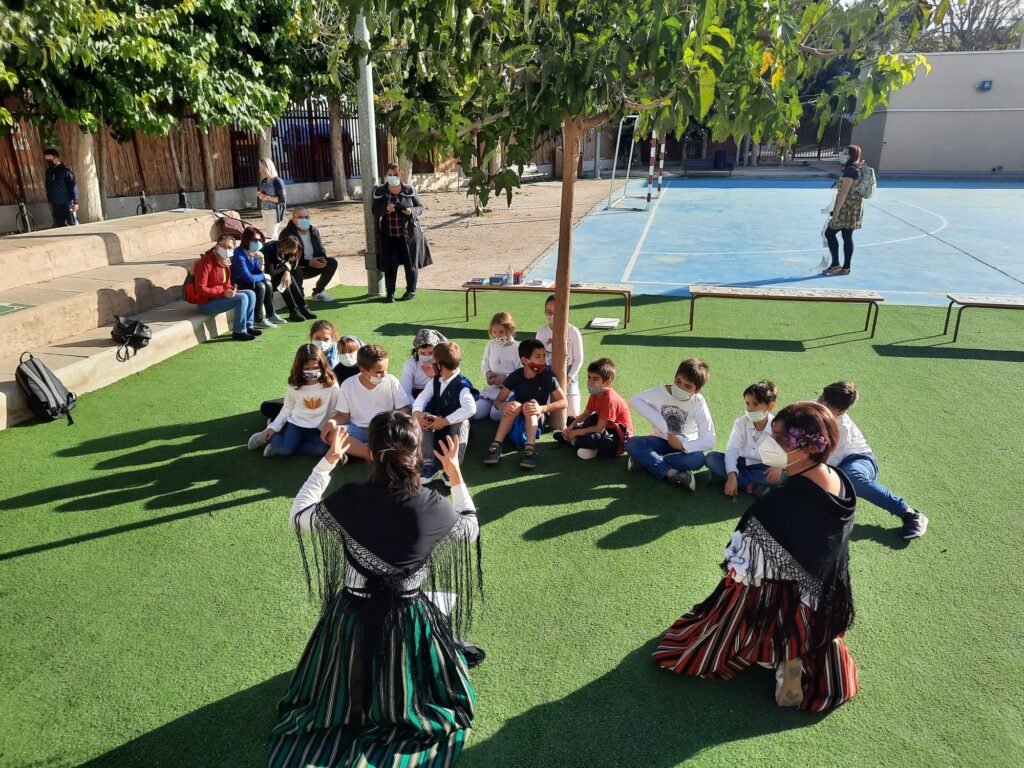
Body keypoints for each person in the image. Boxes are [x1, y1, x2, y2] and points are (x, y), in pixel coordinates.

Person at [270, 416, 482, 765]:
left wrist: (328, 461)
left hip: (351, 621)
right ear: (417, 453)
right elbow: (470, 528)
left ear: (372, 452)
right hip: (410, 621)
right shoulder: (434, 505)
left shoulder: (349, 499)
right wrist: (455, 475)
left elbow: (299, 515)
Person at [653, 401, 859, 712]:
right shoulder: (839, 481)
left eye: (777, 438)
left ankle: (768, 646)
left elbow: (748, 562)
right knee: (804, 609)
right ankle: (795, 654)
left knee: (740, 593)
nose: (768, 442)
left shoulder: (783, 502)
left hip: (780, 592)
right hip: (821, 596)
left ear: (805, 448)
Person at [819, 381, 929, 539]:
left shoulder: (841, 428)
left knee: (849, 478)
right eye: (821, 399)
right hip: (835, 462)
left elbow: (827, 462)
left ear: (841, 411)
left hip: (859, 460)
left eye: (827, 405)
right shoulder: (810, 407)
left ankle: (910, 514)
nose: (820, 405)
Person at [625, 358, 716, 492]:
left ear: (697, 390)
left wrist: (682, 445)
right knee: (632, 443)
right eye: (677, 381)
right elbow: (635, 400)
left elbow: (710, 439)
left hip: (683, 448)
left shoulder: (698, 402)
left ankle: (646, 461)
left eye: (687, 386)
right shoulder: (662, 392)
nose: (680, 388)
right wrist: (666, 428)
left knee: (698, 459)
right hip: (660, 440)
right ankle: (671, 473)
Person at [482, 339, 567, 470]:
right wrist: (504, 406)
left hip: (537, 415)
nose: (543, 360)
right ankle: (496, 445)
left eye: (544, 356)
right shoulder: (516, 375)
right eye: (538, 356)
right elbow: (499, 401)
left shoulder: (547, 376)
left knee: (529, 406)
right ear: (525, 360)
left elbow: (564, 402)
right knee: (513, 405)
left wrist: (542, 408)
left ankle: (530, 450)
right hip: (518, 412)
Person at [321, 344, 411, 461]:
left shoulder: (391, 381)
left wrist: (391, 423)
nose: (384, 374)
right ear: (363, 370)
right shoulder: (348, 384)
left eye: (386, 369)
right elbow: (343, 416)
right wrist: (331, 422)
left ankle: (357, 452)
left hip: (384, 429)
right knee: (331, 435)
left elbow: (404, 409)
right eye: (379, 372)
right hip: (358, 429)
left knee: (407, 430)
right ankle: (374, 455)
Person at [248, 345, 339, 458]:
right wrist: (272, 427)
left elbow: (333, 409)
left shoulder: (331, 384)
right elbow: (287, 408)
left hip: (318, 428)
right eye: (307, 368)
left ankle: (280, 446)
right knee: (286, 450)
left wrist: (329, 426)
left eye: (315, 367)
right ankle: (267, 437)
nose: (311, 372)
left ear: (322, 365)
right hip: (297, 425)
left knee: (321, 449)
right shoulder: (295, 384)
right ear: (299, 368)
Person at [258, 324, 357, 425]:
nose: (322, 342)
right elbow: (296, 383)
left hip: (331, 403)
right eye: (317, 338)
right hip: (308, 396)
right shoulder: (306, 354)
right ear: (311, 337)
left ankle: (294, 420)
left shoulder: (341, 359)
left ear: (333, 338)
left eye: (326, 339)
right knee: (268, 406)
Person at [414, 342, 479, 485]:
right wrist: (417, 414)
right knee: (424, 416)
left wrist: (444, 421)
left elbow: (471, 408)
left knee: (463, 422)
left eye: (433, 362)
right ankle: (428, 463)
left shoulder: (462, 385)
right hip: (437, 431)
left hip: (453, 430)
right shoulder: (435, 381)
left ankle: (454, 465)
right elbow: (423, 397)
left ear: (439, 366)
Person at [705, 380, 783, 497]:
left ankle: (724, 477)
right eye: (747, 403)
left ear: (770, 406)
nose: (749, 408)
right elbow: (732, 450)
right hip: (740, 461)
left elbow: (785, 450)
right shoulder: (740, 423)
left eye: (755, 404)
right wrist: (731, 475)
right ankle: (751, 486)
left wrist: (778, 465)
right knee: (711, 458)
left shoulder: (777, 427)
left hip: (762, 466)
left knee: (782, 476)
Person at [371, 162, 432, 303]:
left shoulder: (409, 189)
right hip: (390, 237)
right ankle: (390, 294)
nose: (392, 177)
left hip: (409, 235)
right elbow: (375, 210)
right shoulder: (380, 191)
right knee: (390, 265)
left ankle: (411, 291)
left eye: (395, 174)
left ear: (400, 175)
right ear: (386, 175)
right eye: (390, 175)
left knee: (411, 264)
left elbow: (420, 207)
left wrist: (410, 211)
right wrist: (385, 208)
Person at [553, 358, 633, 460]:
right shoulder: (595, 393)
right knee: (574, 421)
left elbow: (599, 429)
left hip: (618, 435)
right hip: (604, 425)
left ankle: (585, 446)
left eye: (595, 379)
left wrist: (576, 432)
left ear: (607, 382)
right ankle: (576, 441)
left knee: (592, 438)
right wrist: (571, 427)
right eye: (589, 377)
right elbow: (585, 415)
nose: (590, 382)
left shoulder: (609, 399)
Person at [185, 234, 259, 341]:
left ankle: (248, 326)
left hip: (219, 298)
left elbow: (226, 284)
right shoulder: (205, 262)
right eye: (224, 246)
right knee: (242, 298)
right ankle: (239, 331)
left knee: (250, 293)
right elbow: (201, 289)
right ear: (217, 247)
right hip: (206, 303)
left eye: (230, 247)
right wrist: (223, 293)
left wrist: (232, 290)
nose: (226, 250)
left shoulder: (225, 261)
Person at [536, 295, 584, 418]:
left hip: (568, 372)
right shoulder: (542, 332)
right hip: (548, 373)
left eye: (556, 312)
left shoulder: (573, 331)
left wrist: (569, 377)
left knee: (572, 414)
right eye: (549, 312)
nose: (552, 316)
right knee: (547, 411)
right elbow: (537, 358)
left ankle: (575, 393)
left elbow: (579, 359)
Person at [823, 144, 866, 276]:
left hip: (846, 208)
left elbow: (844, 192)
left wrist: (836, 211)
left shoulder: (850, 170)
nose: (842, 156)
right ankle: (846, 268)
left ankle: (835, 264)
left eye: (845, 154)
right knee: (847, 236)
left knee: (829, 233)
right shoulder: (857, 168)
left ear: (852, 156)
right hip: (854, 207)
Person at [279, 208, 338, 302]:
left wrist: (321, 259)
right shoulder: (287, 234)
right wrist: (308, 262)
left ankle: (318, 292)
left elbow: (321, 249)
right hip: (296, 268)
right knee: (296, 268)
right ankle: (300, 298)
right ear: (293, 219)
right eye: (300, 217)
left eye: (306, 217)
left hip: (314, 266)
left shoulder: (314, 230)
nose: (304, 220)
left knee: (332, 262)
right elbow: (286, 258)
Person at [232, 227, 284, 330]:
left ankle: (271, 314)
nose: (258, 243)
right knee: (260, 286)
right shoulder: (239, 255)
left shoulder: (255, 252)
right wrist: (263, 276)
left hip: (250, 281)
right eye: (254, 240)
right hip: (238, 283)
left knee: (267, 283)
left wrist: (261, 260)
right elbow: (248, 278)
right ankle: (258, 319)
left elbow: (258, 273)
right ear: (246, 240)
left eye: (260, 240)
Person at [474, 312, 523, 421]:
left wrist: (505, 377)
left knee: (495, 415)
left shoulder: (518, 348)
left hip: (509, 391)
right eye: (494, 332)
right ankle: (491, 403)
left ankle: (508, 406)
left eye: (501, 331)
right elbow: (485, 363)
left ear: (510, 330)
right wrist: (488, 374)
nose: (497, 335)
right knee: (476, 413)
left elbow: (521, 372)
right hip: (493, 389)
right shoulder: (491, 345)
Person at [262, 235, 317, 323]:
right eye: (290, 252)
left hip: (279, 274)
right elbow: (271, 273)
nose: (291, 254)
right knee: (283, 279)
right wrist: (285, 267)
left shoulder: (287, 251)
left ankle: (303, 308)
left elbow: (291, 261)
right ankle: (293, 310)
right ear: (286, 247)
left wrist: (287, 271)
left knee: (288, 277)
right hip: (265, 278)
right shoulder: (269, 249)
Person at [400, 328, 447, 402]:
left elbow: (449, 386)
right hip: (416, 395)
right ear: (416, 350)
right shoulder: (410, 364)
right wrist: (416, 407)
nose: (426, 356)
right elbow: (406, 392)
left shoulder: (443, 361)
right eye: (422, 353)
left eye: (431, 353)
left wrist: (434, 376)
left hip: (436, 393)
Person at [42, 147, 78, 227]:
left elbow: (72, 186)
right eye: (46, 160)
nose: (48, 162)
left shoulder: (65, 171)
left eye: (50, 159)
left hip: (67, 203)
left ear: (56, 158)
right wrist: (50, 201)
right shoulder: (49, 172)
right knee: (58, 226)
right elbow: (48, 187)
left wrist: (75, 202)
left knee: (72, 225)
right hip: (55, 205)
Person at [256, 158, 286, 238]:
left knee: (272, 235)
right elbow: (264, 197)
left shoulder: (277, 181)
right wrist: (261, 196)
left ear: (268, 167)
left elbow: (282, 199)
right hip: (265, 211)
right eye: (260, 167)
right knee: (271, 234)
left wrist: (268, 197)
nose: (261, 169)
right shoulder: (264, 181)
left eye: (262, 166)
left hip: (274, 211)